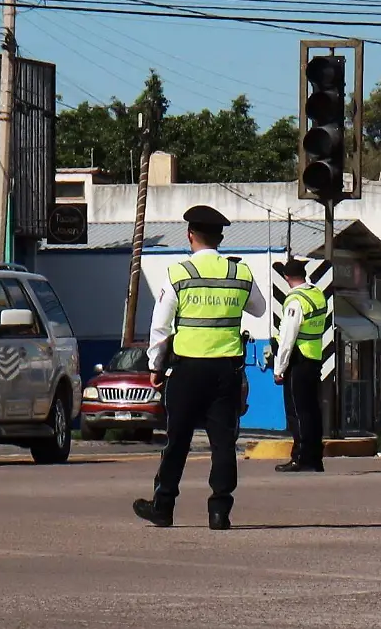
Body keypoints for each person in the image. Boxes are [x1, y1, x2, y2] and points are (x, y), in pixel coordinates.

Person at [132, 205, 267, 531]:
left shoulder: (178, 273)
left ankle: (163, 507)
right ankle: (219, 512)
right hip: (226, 373)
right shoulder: (240, 274)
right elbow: (260, 309)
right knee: (223, 443)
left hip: (187, 372)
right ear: (220, 238)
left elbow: (160, 327)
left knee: (177, 441)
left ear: (190, 235)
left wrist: (155, 365)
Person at [271, 258, 327, 473]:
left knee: (297, 412)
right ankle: (315, 458)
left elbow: (287, 338)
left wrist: (279, 368)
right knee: (312, 410)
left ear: (286, 277)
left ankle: (300, 458)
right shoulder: (317, 294)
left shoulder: (295, 301)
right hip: (314, 357)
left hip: (298, 359)